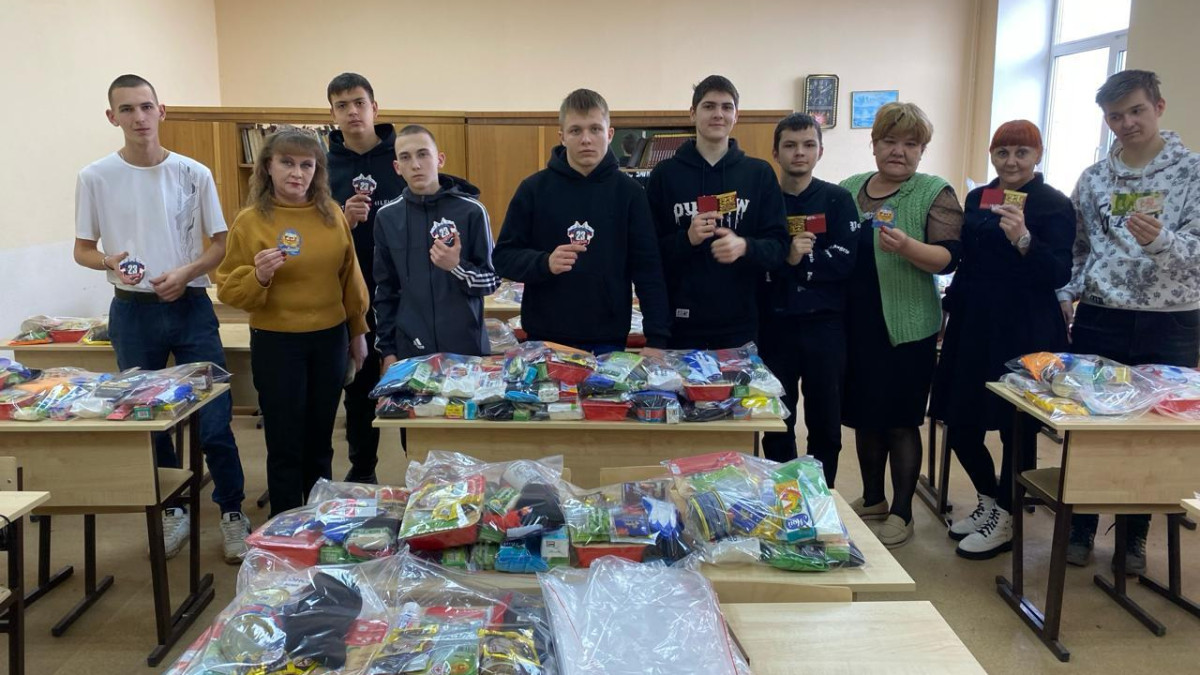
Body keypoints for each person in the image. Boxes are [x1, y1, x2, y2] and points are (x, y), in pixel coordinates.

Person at [73, 74, 249, 564]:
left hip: (191, 307)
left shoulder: (194, 173)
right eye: (127, 109)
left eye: (146, 106)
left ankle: (232, 511)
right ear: (112, 117)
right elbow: (82, 249)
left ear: (161, 110)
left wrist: (187, 272)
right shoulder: (95, 177)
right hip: (132, 312)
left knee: (214, 417)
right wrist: (107, 262)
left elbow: (220, 244)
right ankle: (172, 509)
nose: (139, 117)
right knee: (148, 419)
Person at [1057, 70, 1200, 574]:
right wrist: (1069, 291)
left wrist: (1161, 242)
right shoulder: (1094, 178)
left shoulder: (1193, 172)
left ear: (1158, 107)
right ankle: (1081, 525)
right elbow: (1079, 248)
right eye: (1115, 116)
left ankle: (1133, 535)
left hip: (1171, 320)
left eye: (1136, 111)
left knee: (1153, 430)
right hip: (1102, 316)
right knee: (1092, 422)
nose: (1126, 123)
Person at [930, 121, 1075, 559]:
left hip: (1026, 328)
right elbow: (968, 259)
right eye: (1002, 152)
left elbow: (1059, 273)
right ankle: (990, 500)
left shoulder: (1054, 204)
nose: (1011, 162)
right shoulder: (980, 197)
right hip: (974, 323)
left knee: (1016, 428)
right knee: (960, 421)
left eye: (1021, 153)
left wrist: (1023, 239)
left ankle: (1009, 517)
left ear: (1038, 156)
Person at [217, 129, 370, 517]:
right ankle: (284, 524)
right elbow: (228, 288)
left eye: (306, 165)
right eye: (287, 162)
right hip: (277, 343)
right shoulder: (250, 221)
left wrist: (357, 331)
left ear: (317, 170)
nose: (297, 173)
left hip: (329, 340)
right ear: (268, 166)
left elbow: (349, 278)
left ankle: (318, 519)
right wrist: (259, 277)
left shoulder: (332, 214)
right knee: (284, 442)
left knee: (320, 439)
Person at [839, 102, 964, 548]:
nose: (899, 151)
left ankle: (903, 511)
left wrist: (909, 246)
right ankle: (873, 498)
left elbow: (949, 258)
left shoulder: (932, 191)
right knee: (865, 418)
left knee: (900, 422)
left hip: (907, 329)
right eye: (890, 141)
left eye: (911, 144)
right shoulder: (849, 188)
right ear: (874, 144)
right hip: (857, 327)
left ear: (922, 150)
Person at [492, 88, 670, 354]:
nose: (586, 139)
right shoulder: (533, 189)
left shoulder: (630, 193)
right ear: (562, 136)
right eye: (576, 130)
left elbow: (649, 270)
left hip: (609, 339)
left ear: (609, 134)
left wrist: (657, 339)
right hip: (545, 338)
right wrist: (544, 262)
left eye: (595, 129)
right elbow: (503, 258)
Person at [647, 74, 788, 349]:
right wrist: (686, 239)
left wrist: (744, 246)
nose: (718, 114)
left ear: (737, 115)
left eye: (726, 107)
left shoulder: (759, 174)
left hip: (741, 325)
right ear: (692, 113)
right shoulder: (665, 175)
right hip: (680, 326)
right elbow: (648, 254)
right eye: (709, 106)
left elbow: (779, 246)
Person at [757, 113, 859, 486]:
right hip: (774, 327)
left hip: (825, 327)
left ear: (820, 151)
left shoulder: (838, 199)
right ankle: (784, 497)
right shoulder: (765, 201)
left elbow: (846, 260)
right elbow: (757, 258)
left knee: (826, 424)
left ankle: (822, 496)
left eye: (808, 145)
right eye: (790, 145)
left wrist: (798, 262)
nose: (799, 152)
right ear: (775, 152)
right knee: (777, 421)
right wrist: (786, 258)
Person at [326, 72, 406, 484]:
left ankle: (423, 473)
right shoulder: (321, 166)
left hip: (403, 295)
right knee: (358, 390)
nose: (352, 112)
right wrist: (342, 221)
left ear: (375, 107)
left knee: (409, 385)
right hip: (346, 295)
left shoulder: (402, 155)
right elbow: (310, 231)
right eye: (342, 106)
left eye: (359, 103)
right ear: (333, 114)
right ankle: (363, 472)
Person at [374, 125, 499, 364]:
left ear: (439, 159)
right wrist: (387, 351)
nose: (416, 165)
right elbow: (385, 291)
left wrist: (456, 267)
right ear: (397, 167)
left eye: (423, 154)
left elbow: (492, 281)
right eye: (405, 157)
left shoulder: (472, 211)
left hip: (466, 348)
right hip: (410, 350)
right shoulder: (387, 217)